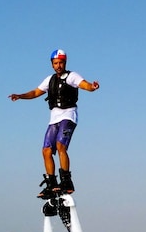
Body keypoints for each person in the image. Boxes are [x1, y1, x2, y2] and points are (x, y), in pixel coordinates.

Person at [9, 49, 100, 199]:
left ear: (65, 62)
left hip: (68, 115)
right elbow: (36, 92)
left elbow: (84, 85)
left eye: (61, 63)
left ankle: (66, 181)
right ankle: (52, 183)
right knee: (46, 150)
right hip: (54, 118)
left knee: (60, 146)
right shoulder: (49, 80)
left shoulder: (71, 76)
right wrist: (20, 96)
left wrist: (92, 87)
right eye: (56, 63)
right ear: (52, 65)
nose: (58, 66)